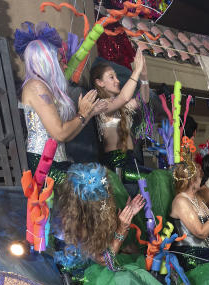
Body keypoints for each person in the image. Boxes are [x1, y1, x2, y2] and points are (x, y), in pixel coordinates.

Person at [15, 22, 105, 181]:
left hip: (56, 162)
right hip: (43, 166)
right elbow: (61, 133)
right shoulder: (36, 87)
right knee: (94, 184)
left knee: (99, 179)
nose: (64, 65)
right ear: (47, 62)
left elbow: (66, 135)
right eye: (59, 60)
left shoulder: (42, 87)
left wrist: (89, 114)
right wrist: (82, 113)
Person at [90, 48, 151, 177]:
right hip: (116, 163)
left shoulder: (122, 106)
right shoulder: (101, 105)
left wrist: (144, 75)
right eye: (112, 77)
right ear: (100, 83)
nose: (117, 81)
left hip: (131, 160)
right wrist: (136, 71)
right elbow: (124, 97)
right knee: (155, 178)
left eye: (116, 77)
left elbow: (143, 99)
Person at [170, 158, 209, 270]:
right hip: (191, 255)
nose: (202, 179)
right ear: (192, 181)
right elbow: (201, 232)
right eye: (200, 176)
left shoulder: (197, 197)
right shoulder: (181, 201)